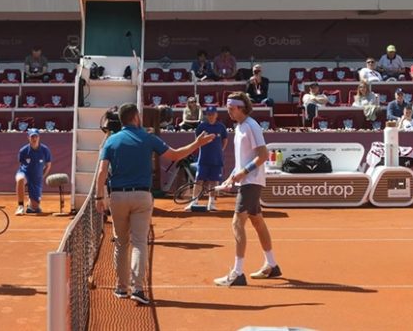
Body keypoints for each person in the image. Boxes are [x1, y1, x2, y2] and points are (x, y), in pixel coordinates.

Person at [94, 103, 216, 304]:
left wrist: (100, 197)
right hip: (142, 197)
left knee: (121, 243)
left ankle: (121, 288)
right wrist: (197, 144)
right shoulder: (148, 138)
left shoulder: (111, 141)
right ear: (135, 118)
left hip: (117, 197)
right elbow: (176, 155)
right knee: (139, 243)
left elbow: (101, 172)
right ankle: (138, 290)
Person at [214, 92, 279, 287]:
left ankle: (237, 273)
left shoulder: (251, 126)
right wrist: (230, 177)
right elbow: (243, 159)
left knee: (236, 223)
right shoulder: (239, 127)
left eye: (231, 108)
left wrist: (243, 172)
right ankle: (272, 265)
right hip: (247, 180)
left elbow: (262, 155)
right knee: (257, 221)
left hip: (252, 181)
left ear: (241, 108)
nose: (228, 111)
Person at [187, 105, 228, 212]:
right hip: (203, 159)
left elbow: (225, 140)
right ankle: (194, 202)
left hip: (217, 160)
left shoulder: (221, 127)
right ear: (206, 115)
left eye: (212, 114)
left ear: (216, 115)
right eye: (208, 114)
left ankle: (212, 203)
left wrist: (220, 150)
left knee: (214, 182)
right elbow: (197, 141)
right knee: (198, 180)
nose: (210, 116)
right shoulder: (201, 127)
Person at [14, 128, 52, 215]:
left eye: (36, 137)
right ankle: (20, 206)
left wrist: (42, 176)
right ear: (28, 138)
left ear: (39, 137)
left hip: (36, 177)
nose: (34, 139)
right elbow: (20, 164)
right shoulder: (23, 150)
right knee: (20, 179)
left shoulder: (45, 150)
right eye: (32, 137)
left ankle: (31, 203)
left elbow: (48, 165)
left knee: (35, 209)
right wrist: (23, 174)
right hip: (25, 173)